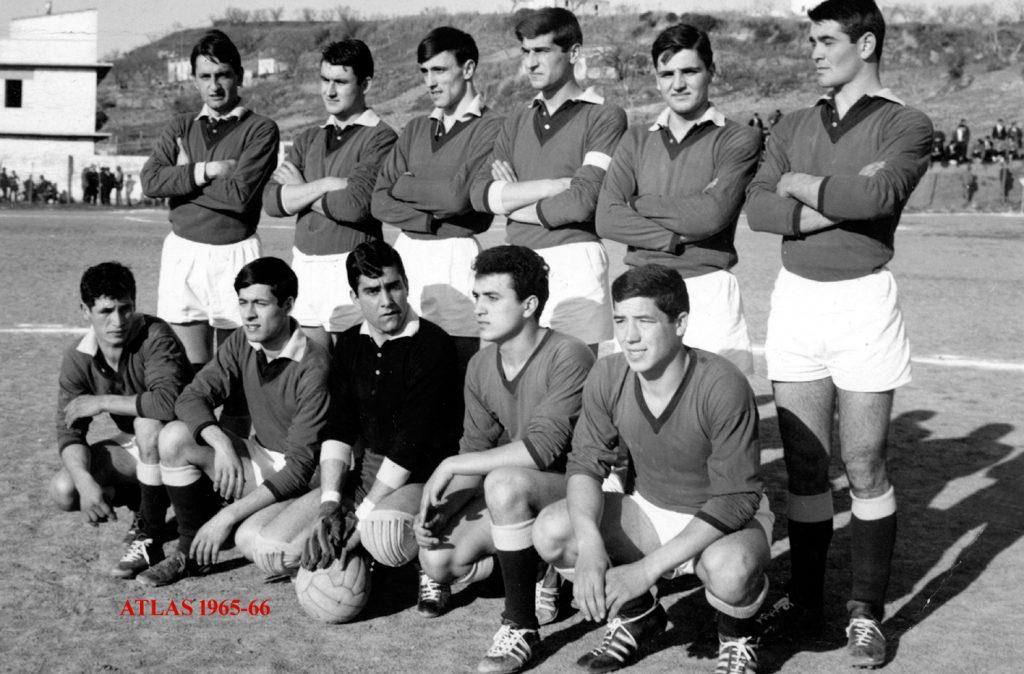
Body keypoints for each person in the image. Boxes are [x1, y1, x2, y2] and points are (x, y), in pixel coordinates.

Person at [744, 0, 932, 667]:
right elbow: (758, 208)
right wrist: (826, 190)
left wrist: (799, 185)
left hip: (863, 302)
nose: (815, 52)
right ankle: (806, 605)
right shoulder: (794, 123)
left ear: (867, 43)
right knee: (804, 465)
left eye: (826, 40)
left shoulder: (906, 122)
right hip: (796, 300)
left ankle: (866, 613)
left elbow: (876, 200)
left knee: (865, 462)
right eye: (812, 41)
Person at [533, 264, 773, 674]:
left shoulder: (722, 383)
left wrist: (646, 569)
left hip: (720, 522)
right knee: (553, 531)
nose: (629, 336)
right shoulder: (609, 373)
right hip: (650, 509)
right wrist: (590, 545)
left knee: (731, 571)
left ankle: (737, 636)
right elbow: (586, 464)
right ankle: (640, 616)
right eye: (620, 321)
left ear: (680, 323)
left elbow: (736, 499)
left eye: (644, 321)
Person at [252, 241, 462, 609]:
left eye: (394, 286)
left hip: (424, 476)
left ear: (407, 285)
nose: (387, 300)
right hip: (369, 473)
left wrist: (360, 518)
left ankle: (432, 567)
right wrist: (331, 505)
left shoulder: (433, 345)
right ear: (354, 296)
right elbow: (339, 427)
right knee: (268, 549)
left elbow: (411, 443)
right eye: (372, 291)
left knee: (383, 535)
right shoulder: (349, 343)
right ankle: (363, 555)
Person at [415, 245, 595, 674]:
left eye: (492, 298)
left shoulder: (569, 354)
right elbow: (475, 450)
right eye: (477, 297)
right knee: (438, 560)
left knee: (504, 482)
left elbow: (542, 449)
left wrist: (449, 466)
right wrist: (444, 508)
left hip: (579, 490)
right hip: (521, 494)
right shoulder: (481, 364)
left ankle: (520, 625)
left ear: (529, 305)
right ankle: (537, 567)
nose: (478, 308)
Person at [136, 257, 332, 587]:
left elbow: (300, 469)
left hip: (309, 478)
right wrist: (222, 443)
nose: (249, 314)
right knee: (174, 437)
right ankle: (189, 554)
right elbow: (190, 397)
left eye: (260, 304)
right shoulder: (243, 340)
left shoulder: (314, 365)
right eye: (243, 302)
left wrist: (225, 516)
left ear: (287, 305)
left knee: (254, 543)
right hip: (261, 456)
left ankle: (308, 533)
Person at [597, 23, 760, 374]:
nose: (678, 83)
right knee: (641, 399)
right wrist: (673, 238)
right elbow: (607, 217)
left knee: (715, 396)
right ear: (656, 79)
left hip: (707, 287)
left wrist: (637, 203)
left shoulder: (738, 138)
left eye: (690, 71)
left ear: (711, 71)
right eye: (667, 74)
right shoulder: (635, 139)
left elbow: (711, 216)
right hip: (641, 286)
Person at [469, 8, 627, 351]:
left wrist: (511, 201)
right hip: (517, 264)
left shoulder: (605, 116)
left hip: (575, 261)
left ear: (573, 53)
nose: (530, 63)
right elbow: (480, 194)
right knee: (518, 374)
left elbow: (582, 201)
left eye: (541, 51)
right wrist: (553, 186)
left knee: (573, 372)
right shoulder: (516, 120)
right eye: (526, 52)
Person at [140, 29, 280, 375]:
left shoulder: (261, 129)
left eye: (223, 75)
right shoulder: (180, 126)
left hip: (236, 253)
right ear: (194, 80)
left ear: (239, 76)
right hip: (184, 253)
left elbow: (240, 196)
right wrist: (206, 170)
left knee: (237, 370)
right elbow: (150, 181)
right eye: (205, 76)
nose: (214, 86)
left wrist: (182, 178)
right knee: (188, 371)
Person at [372, 26, 504, 373]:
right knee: (402, 366)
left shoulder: (493, 126)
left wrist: (406, 184)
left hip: (456, 256)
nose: (430, 81)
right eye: (424, 72)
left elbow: (458, 197)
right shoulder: (416, 127)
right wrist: (429, 220)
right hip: (407, 252)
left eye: (440, 70)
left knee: (457, 367)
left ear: (469, 68)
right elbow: (380, 199)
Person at [49, 262, 193, 579]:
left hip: (185, 444)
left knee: (147, 423)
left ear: (134, 304)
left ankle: (151, 535)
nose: (118, 321)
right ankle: (145, 503)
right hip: (145, 447)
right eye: (106, 311)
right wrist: (86, 483)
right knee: (65, 489)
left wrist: (101, 402)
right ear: (85, 311)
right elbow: (69, 433)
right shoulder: (78, 357)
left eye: (125, 308)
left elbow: (166, 403)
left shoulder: (155, 336)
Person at [263, 39, 397, 351]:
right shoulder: (308, 137)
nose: (330, 91)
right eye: (324, 80)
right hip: (304, 265)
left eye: (341, 82)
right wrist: (325, 184)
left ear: (365, 84)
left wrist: (300, 189)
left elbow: (354, 205)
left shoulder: (381, 137)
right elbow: (272, 201)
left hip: (352, 266)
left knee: (351, 368)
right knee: (311, 368)